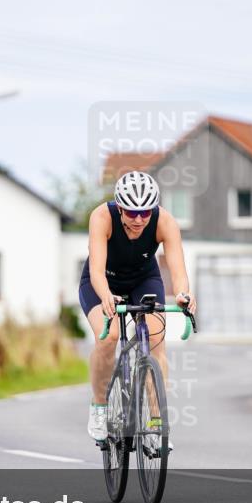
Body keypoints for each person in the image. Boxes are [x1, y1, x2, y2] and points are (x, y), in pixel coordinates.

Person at [79, 171, 196, 442]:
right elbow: (96, 270)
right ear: (119, 207)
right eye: (132, 213)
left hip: (143, 280)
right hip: (102, 281)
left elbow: (178, 270)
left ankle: (155, 423)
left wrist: (182, 294)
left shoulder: (165, 221)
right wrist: (106, 295)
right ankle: (99, 406)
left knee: (155, 342)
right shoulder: (101, 217)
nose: (139, 219)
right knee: (109, 338)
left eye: (145, 212)